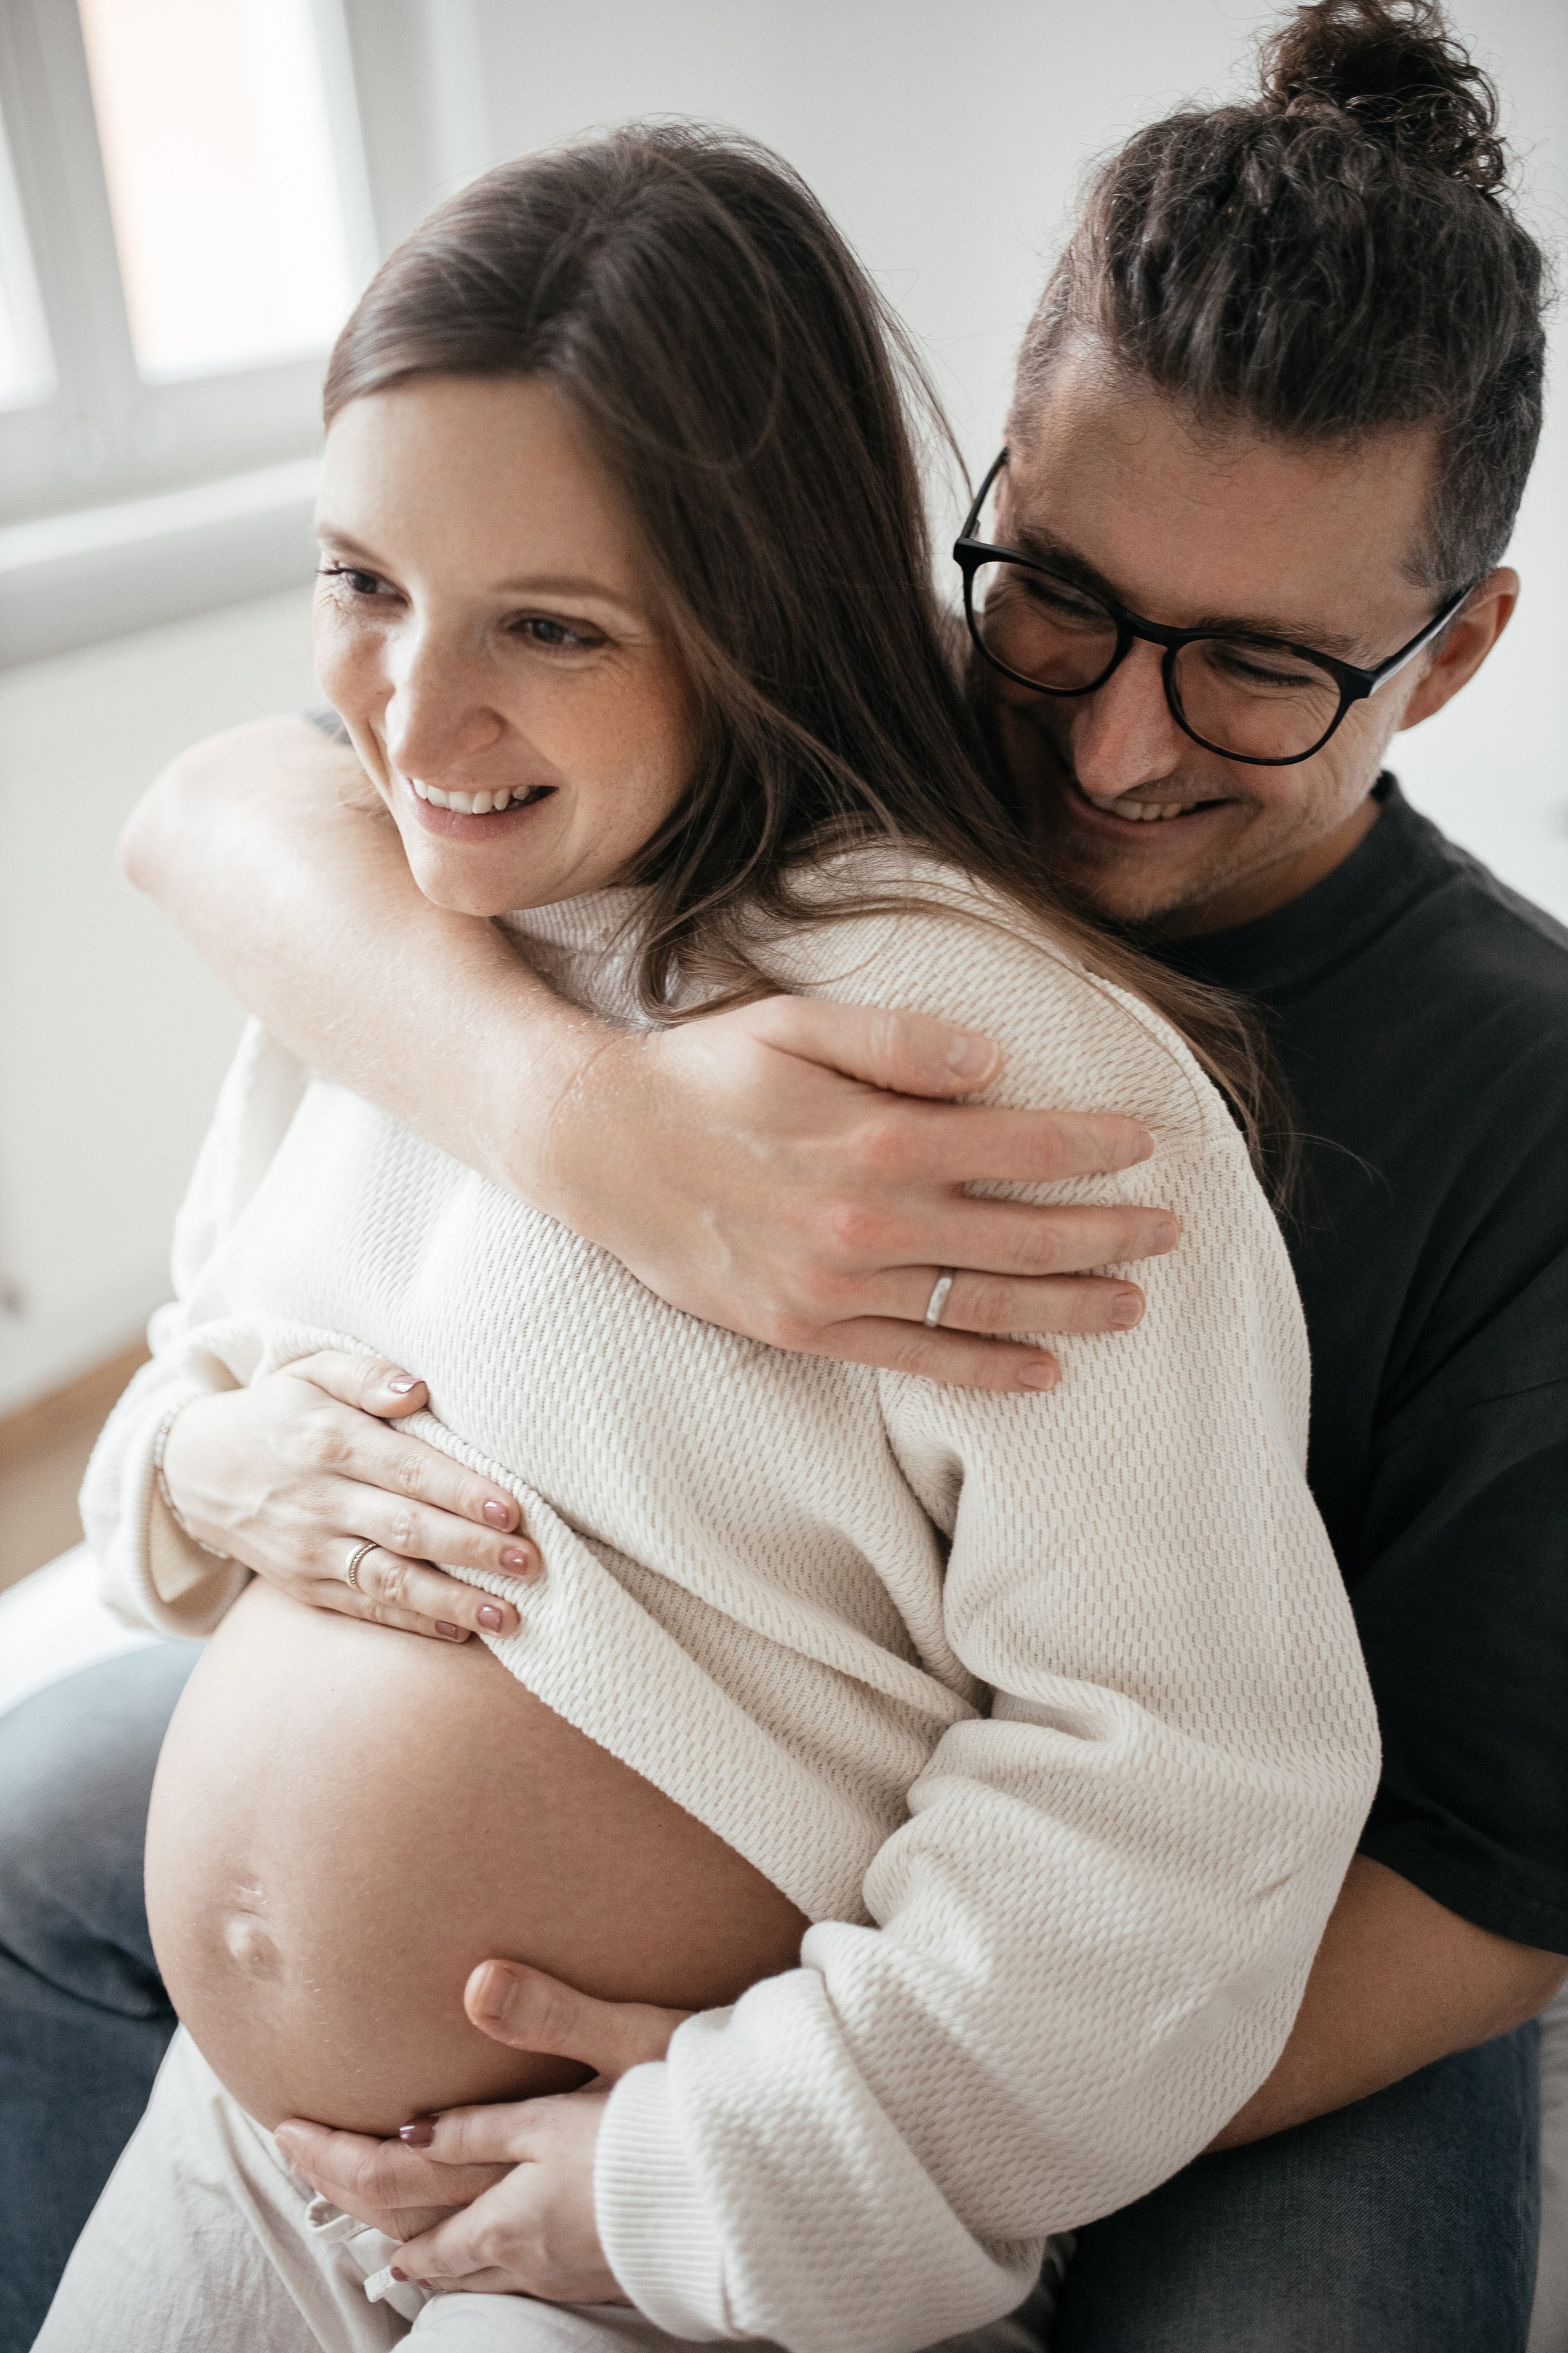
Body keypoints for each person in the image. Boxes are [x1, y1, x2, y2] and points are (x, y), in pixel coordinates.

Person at [2, 0, 1564, 2346]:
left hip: (1238, 1970)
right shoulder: (677, 803)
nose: (1112, 737)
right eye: (1055, 591)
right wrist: (577, 1134)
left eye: (1254, 668)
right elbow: (240, 823)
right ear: (985, 486)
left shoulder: (1388, 1095)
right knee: (33, 1824)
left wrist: (761, 2128)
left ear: (1445, 663)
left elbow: (1452, 1857)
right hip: (455, 2017)